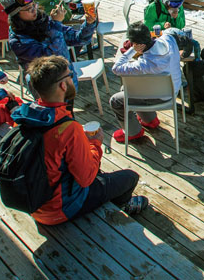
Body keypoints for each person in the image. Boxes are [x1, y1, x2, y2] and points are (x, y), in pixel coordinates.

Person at [14, 55, 147, 225]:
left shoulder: (25, 116)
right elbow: (86, 178)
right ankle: (124, 205)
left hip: (34, 203)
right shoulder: (67, 129)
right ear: (63, 85)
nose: (73, 78)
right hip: (60, 209)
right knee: (130, 177)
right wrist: (95, 143)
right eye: (70, 75)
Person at [2, 0, 97, 97]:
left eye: (34, 5)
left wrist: (89, 24)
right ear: (16, 14)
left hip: (68, 82)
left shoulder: (44, 21)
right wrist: (56, 23)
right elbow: (54, 57)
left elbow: (79, 39)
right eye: (28, 8)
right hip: (47, 93)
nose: (34, 10)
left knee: (69, 107)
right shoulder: (18, 40)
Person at [108, 22, 182, 143]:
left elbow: (116, 68)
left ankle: (133, 132)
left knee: (115, 101)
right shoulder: (168, 39)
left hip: (160, 97)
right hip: (174, 89)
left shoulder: (146, 64)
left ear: (137, 44)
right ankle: (149, 120)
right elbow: (171, 31)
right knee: (126, 89)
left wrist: (132, 50)